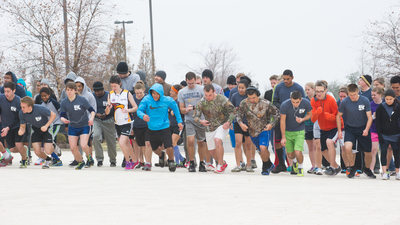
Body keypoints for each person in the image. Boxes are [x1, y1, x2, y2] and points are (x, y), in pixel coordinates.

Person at [137, 83, 183, 172]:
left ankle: (171, 161)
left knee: (169, 146)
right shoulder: (146, 99)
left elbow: (176, 108)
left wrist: (179, 121)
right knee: (154, 149)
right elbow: (139, 110)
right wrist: (143, 116)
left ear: (161, 93)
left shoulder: (167, 100)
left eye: (157, 93)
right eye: (153, 93)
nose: (155, 95)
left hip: (164, 127)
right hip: (152, 128)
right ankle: (161, 155)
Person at [237, 86, 280, 175]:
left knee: (263, 148)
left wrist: (271, 124)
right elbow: (238, 115)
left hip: (264, 130)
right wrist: (241, 124)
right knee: (262, 151)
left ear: (258, 96)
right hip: (252, 132)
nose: (252, 100)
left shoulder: (266, 103)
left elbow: (277, 114)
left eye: (254, 98)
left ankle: (265, 167)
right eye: (250, 98)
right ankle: (269, 164)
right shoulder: (244, 103)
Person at [193, 84, 235, 173]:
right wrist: (201, 121)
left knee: (217, 140)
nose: (208, 97)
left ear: (214, 92)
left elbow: (233, 111)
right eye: (206, 95)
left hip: (222, 124)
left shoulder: (222, 99)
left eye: (210, 95)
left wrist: (228, 122)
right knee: (212, 151)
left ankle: (219, 165)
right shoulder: (201, 102)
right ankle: (223, 163)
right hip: (209, 127)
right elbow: (195, 116)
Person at [337, 84, 375, 178]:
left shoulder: (365, 100)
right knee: (347, 148)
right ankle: (352, 167)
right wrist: (339, 131)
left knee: (368, 153)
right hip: (350, 129)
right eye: (350, 95)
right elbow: (338, 116)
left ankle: (367, 169)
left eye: (354, 94)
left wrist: (366, 129)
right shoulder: (345, 101)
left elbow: (370, 117)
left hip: (363, 128)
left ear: (358, 91)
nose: (352, 97)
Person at [272, 69, 305, 173]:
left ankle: (294, 164)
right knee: (278, 141)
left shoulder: (298, 88)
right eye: (284, 79)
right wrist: (283, 109)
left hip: (293, 120)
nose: (285, 81)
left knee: (293, 145)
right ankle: (281, 164)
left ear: (292, 78)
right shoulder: (278, 87)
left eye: (288, 79)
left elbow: (303, 103)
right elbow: (274, 101)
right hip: (280, 117)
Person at [105, 75, 139, 170]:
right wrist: (108, 108)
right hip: (117, 122)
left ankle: (127, 161)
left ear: (120, 84)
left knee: (121, 143)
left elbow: (135, 107)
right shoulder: (110, 94)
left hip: (127, 122)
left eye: (115, 86)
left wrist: (127, 110)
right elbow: (107, 112)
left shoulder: (127, 93)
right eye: (112, 86)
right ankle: (135, 160)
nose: (113, 88)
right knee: (127, 144)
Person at [178, 72, 209, 172]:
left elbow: (206, 105)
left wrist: (195, 107)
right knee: (190, 141)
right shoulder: (182, 92)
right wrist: (185, 109)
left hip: (200, 119)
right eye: (189, 83)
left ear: (195, 80)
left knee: (201, 142)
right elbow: (181, 109)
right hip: (189, 119)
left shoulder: (201, 90)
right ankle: (191, 162)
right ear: (186, 81)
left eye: (192, 83)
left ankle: (201, 163)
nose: (190, 85)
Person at [60, 82, 95, 170]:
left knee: (83, 145)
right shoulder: (64, 102)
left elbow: (92, 110)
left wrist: (91, 119)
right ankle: (80, 161)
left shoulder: (82, 100)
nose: (69, 92)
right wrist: (64, 120)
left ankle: (89, 157)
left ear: (75, 91)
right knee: (72, 148)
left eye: (71, 90)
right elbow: (62, 116)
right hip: (72, 126)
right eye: (68, 90)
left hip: (84, 125)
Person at [311, 80, 342, 176]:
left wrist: (329, 116)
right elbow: (312, 119)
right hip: (323, 128)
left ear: (325, 90)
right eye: (317, 91)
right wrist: (317, 113)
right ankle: (336, 167)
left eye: (321, 91)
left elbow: (337, 116)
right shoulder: (313, 101)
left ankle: (332, 167)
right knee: (323, 150)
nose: (319, 93)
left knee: (329, 142)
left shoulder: (331, 100)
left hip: (334, 127)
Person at [19, 96, 57, 169]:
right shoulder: (22, 113)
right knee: (37, 152)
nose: (22, 109)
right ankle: (48, 160)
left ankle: (54, 146)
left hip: (46, 128)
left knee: (48, 151)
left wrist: (46, 126)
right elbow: (22, 126)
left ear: (30, 106)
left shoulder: (40, 109)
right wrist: (21, 130)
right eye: (21, 107)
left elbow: (53, 115)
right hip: (36, 130)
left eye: (23, 107)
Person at [280, 91, 312, 177]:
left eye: (297, 102)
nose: (295, 104)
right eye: (293, 102)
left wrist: (302, 119)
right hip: (288, 131)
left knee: (298, 151)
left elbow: (310, 114)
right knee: (290, 155)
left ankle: (301, 168)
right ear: (290, 99)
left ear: (301, 99)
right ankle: (294, 162)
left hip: (300, 130)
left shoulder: (306, 102)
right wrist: (283, 137)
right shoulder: (284, 105)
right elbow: (282, 121)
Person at [0, 82, 27, 168]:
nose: (6, 93)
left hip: (17, 126)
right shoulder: (1, 98)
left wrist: (8, 128)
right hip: (6, 127)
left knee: (19, 145)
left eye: (8, 91)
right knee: (11, 149)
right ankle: (24, 150)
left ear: (14, 90)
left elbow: (17, 118)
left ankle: (24, 160)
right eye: (5, 91)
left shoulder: (19, 101)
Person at [375, 89, 400, 180]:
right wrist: (379, 135)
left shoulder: (398, 107)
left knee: (397, 154)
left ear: (394, 98)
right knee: (384, 152)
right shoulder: (381, 107)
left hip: (396, 135)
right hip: (384, 135)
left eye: (390, 99)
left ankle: (397, 172)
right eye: (386, 99)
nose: (388, 101)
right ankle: (384, 172)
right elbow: (378, 122)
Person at [92, 81, 117, 167]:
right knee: (95, 136)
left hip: (109, 120)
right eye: (95, 91)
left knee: (111, 141)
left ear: (103, 89)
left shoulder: (109, 95)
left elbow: (114, 108)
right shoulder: (92, 96)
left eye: (99, 91)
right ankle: (99, 159)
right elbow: (89, 108)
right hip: (97, 120)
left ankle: (113, 160)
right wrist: (95, 114)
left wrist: (106, 113)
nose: (97, 93)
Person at [230, 79, 252, 172]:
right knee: (238, 143)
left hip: (248, 123)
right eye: (239, 87)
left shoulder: (250, 97)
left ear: (246, 88)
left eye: (242, 88)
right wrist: (230, 121)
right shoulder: (234, 96)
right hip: (237, 122)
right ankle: (238, 164)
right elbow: (230, 109)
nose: (240, 89)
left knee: (248, 145)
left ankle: (249, 165)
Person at [39, 87, 63, 166]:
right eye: (42, 96)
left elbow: (61, 111)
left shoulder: (54, 102)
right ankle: (56, 159)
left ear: (49, 95)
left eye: (45, 95)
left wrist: (64, 121)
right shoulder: (40, 103)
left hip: (56, 123)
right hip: (47, 125)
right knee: (48, 142)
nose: (44, 97)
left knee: (50, 140)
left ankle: (56, 149)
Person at [132, 81, 152, 171]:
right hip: (137, 124)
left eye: (140, 93)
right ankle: (142, 161)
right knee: (141, 145)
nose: (139, 95)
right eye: (137, 93)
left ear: (144, 90)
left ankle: (148, 162)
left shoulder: (148, 97)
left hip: (147, 124)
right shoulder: (132, 98)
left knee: (147, 143)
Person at [169, 84, 186, 167]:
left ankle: (177, 162)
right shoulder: (171, 101)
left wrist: (175, 112)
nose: (170, 92)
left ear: (177, 92)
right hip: (171, 124)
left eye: (172, 91)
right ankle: (182, 159)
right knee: (171, 143)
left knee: (173, 142)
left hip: (178, 125)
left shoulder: (180, 102)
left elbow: (181, 112)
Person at [370, 87, 383, 174]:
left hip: (384, 131)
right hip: (373, 130)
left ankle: (386, 170)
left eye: (375, 95)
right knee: (374, 150)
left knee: (385, 151)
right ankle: (371, 169)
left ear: (380, 95)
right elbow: (368, 119)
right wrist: (374, 116)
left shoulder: (385, 104)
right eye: (372, 95)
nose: (373, 97)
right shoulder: (370, 104)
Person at [304, 82, 317, 173]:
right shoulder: (303, 100)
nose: (307, 91)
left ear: (313, 89)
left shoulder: (317, 99)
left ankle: (318, 165)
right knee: (311, 147)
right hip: (307, 126)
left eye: (309, 89)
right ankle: (313, 165)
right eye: (306, 90)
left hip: (316, 125)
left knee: (317, 146)